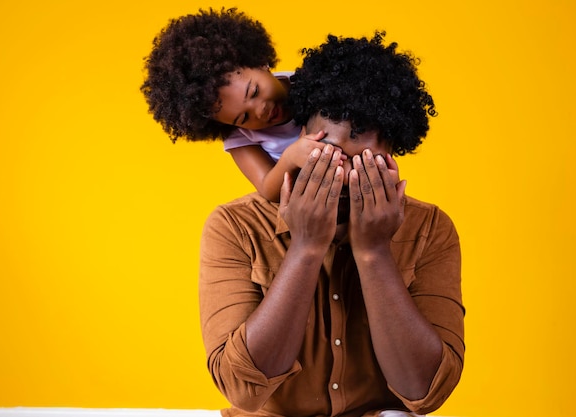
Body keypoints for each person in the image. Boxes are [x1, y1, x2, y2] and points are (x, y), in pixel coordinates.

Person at [199, 32, 464, 417]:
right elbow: (241, 388)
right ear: (301, 138)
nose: (341, 177)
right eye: (327, 157)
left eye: (362, 165)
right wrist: (306, 246)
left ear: (390, 152)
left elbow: (427, 392)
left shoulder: (429, 229)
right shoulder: (234, 227)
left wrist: (373, 252)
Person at [140, 7, 342, 201]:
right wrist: (290, 158)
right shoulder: (240, 135)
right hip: (303, 199)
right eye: (244, 118)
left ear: (261, 62)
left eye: (254, 92)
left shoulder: (312, 80)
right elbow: (267, 189)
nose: (260, 112)